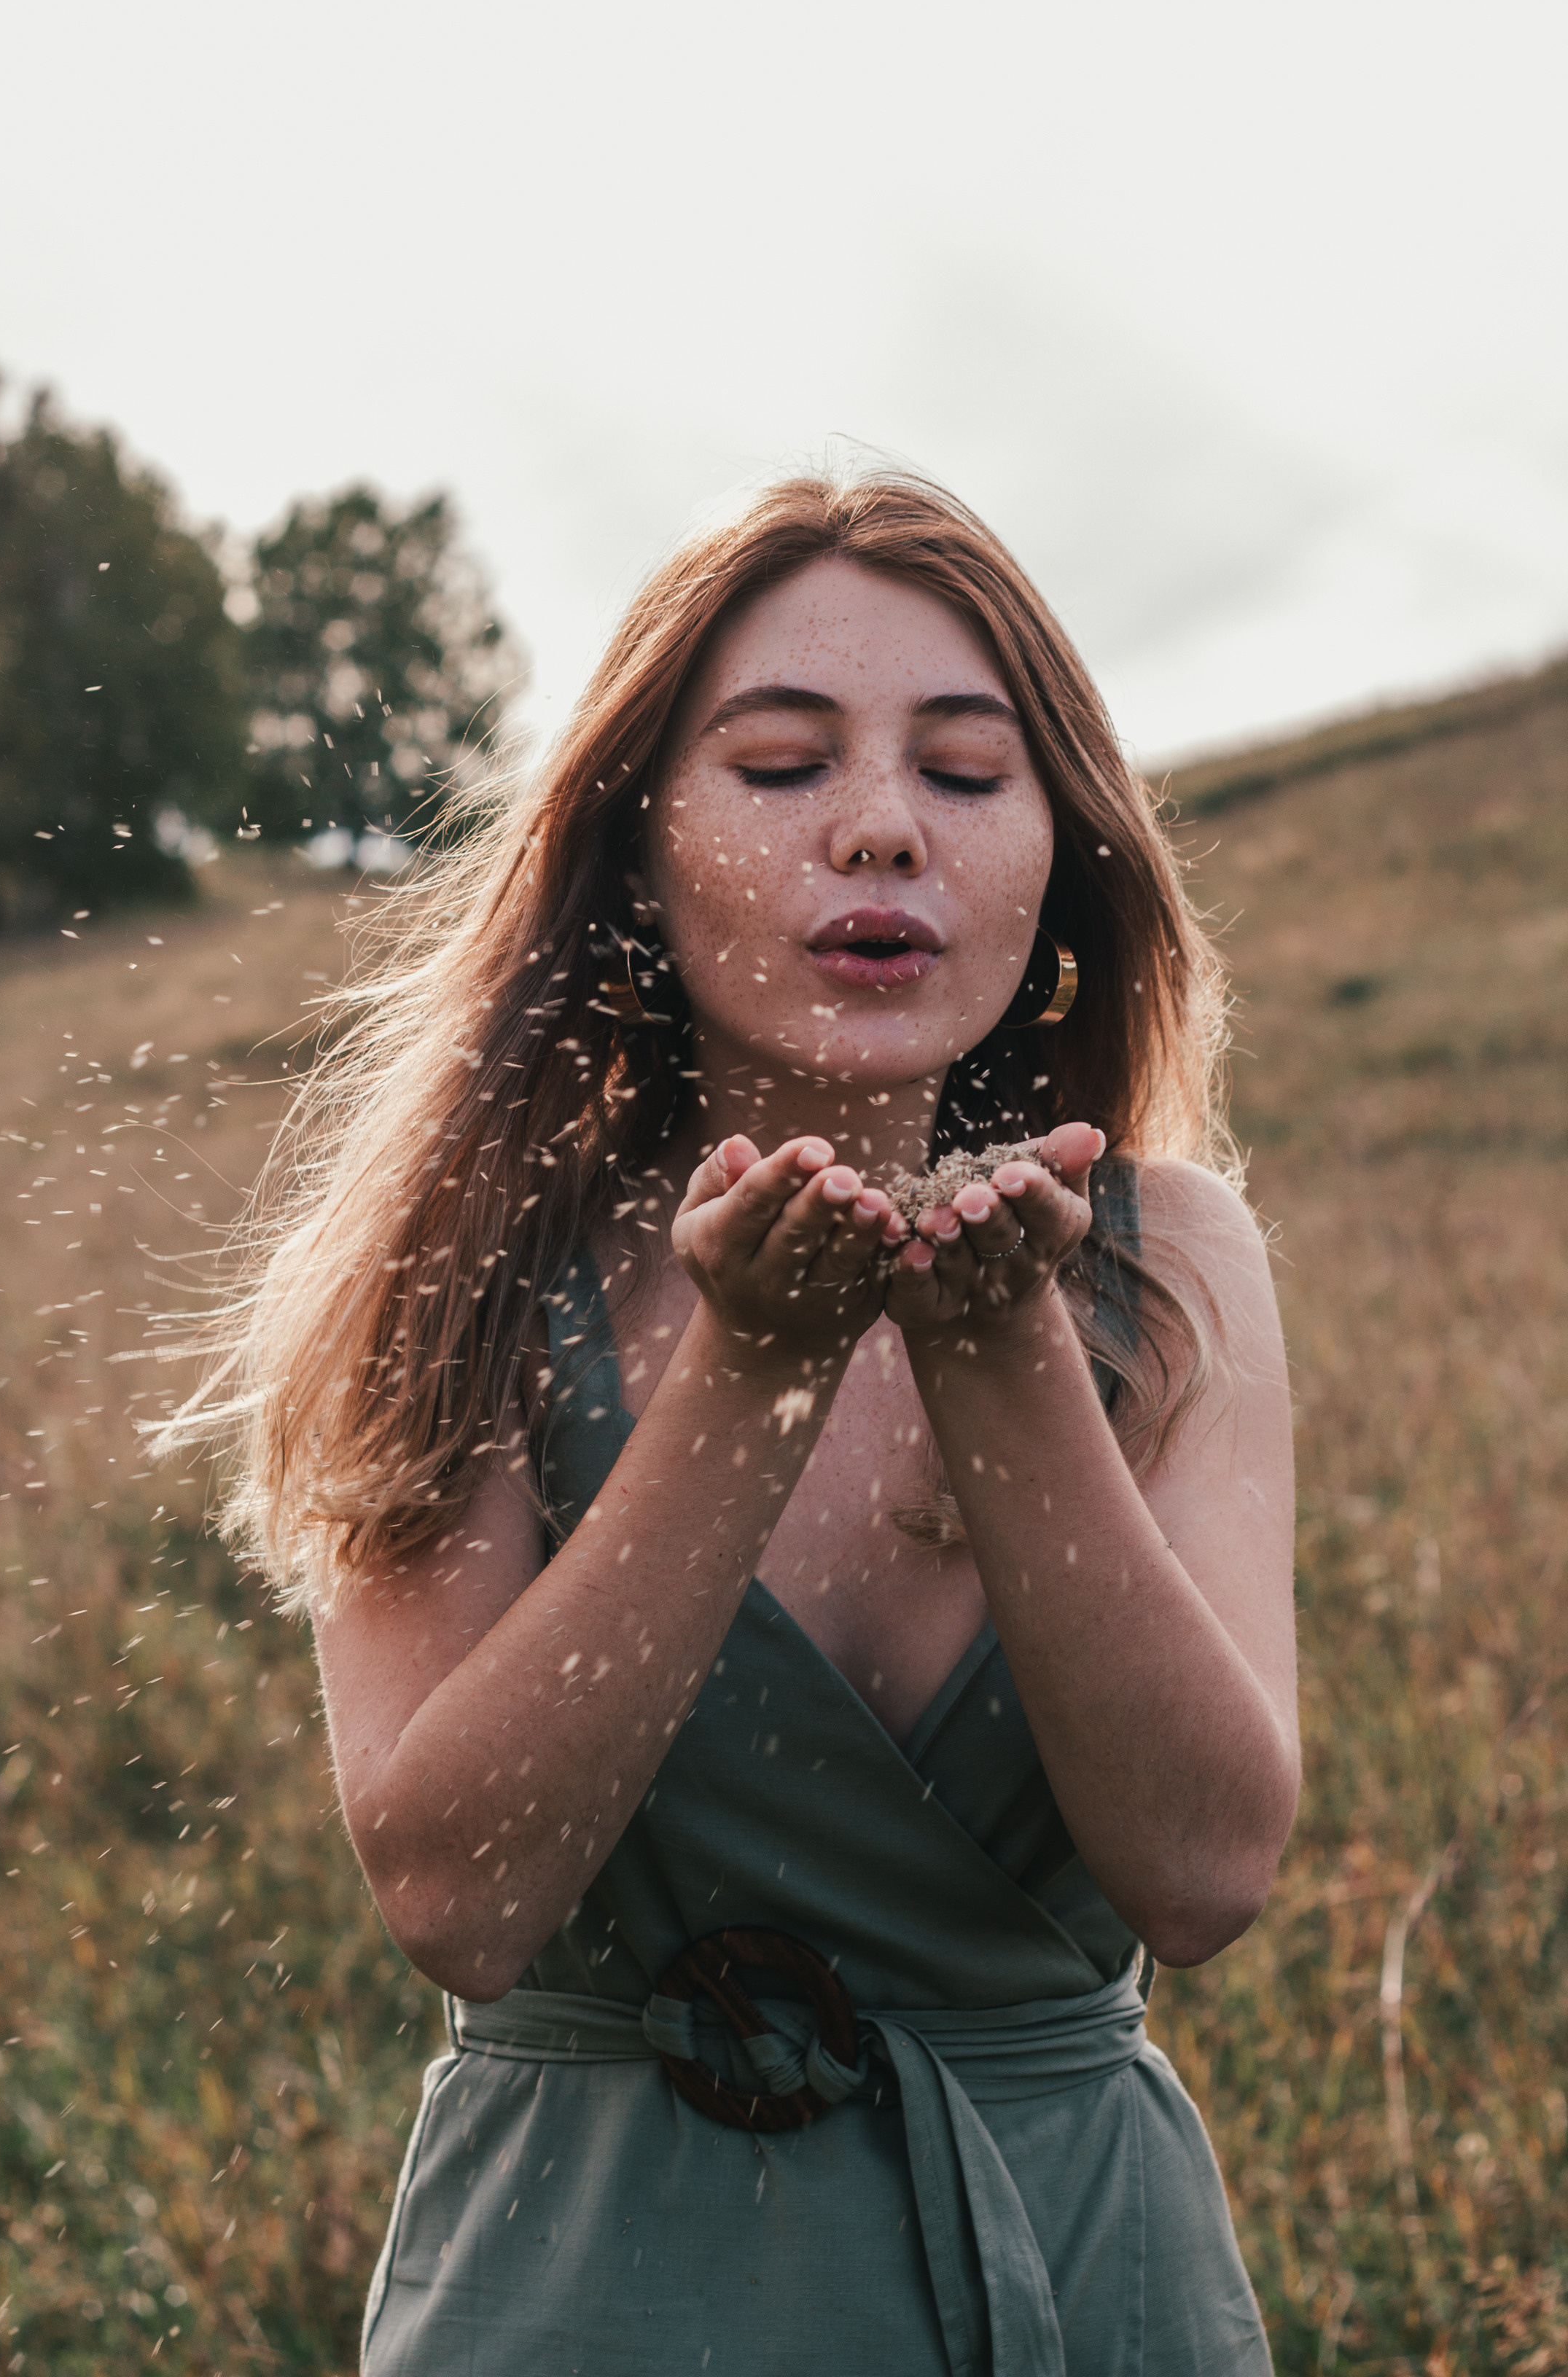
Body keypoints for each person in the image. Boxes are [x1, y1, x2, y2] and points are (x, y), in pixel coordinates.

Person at [193, 470, 1298, 2373]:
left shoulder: (1170, 1263)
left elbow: (1204, 1877)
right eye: (782, 767)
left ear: (1060, 854)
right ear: (636, 850)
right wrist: (757, 1368)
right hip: (582, 2288)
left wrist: (1005, 1360)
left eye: (966, 773)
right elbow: (460, 1893)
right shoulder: (474, 1260)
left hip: (1076, 2281)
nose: (880, 828)